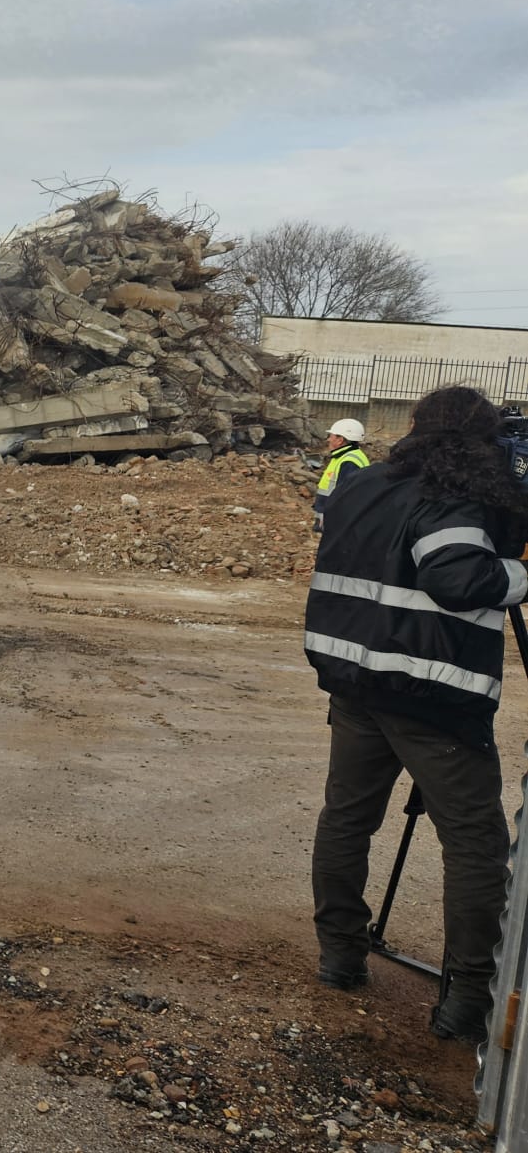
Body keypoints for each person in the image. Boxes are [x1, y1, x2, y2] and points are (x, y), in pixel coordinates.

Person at [306, 385, 528, 1042]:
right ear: (479, 442)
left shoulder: (359, 483)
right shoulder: (453, 496)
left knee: (346, 817)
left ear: (412, 427)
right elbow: (458, 580)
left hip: (353, 679)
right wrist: (517, 573)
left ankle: (339, 957)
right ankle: (464, 999)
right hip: (432, 693)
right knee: (474, 844)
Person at [313, 417, 370, 532]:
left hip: (337, 522)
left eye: (331, 436)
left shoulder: (349, 462)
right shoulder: (345, 457)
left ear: (340, 440)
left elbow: (344, 498)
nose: (328, 439)